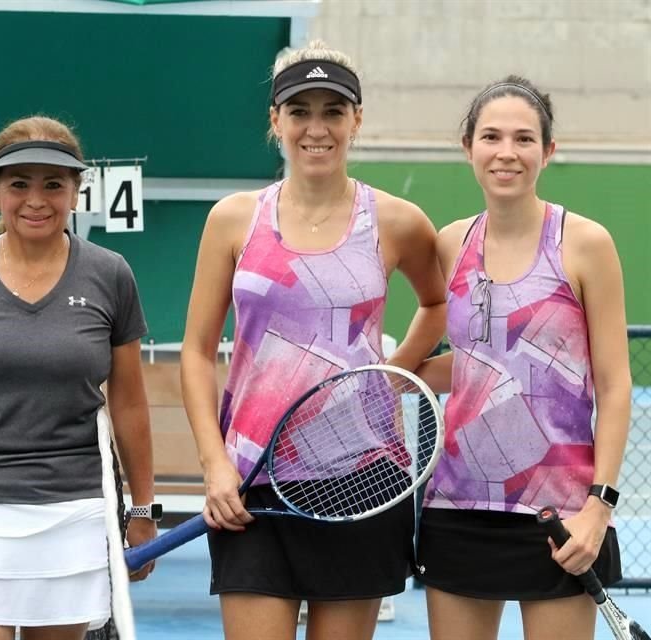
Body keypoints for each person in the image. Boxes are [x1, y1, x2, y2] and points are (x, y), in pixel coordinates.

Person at [180, 40, 447, 640]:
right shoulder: (233, 219)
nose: (317, 128)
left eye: (334, 110)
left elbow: (438, 305)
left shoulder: (398, 221)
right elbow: (197, 352)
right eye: (300, 111)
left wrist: (390, 372)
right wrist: (214, 464)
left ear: (357, 119)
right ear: (276, 121)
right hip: (251, 482)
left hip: (363, 479)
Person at [0, 115, 157, 640]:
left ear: (76, 191)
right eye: (19, 183)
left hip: (74, 514)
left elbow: (130, 404)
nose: (36, 199)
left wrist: (140, 508)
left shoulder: (112, 274)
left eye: (53, 184)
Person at [414, 76, 632, 640]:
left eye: (523, 139)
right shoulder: (450, 243)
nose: (506, 152)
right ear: (468, 148)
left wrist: (598, 508)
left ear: (547, 151)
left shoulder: (585, 244)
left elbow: (612, 385)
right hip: (458, 509)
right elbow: (473, 361)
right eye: (490, 136)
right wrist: (400, 374)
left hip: (560, 518)